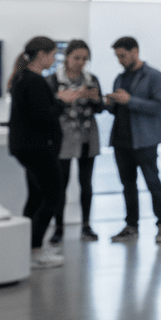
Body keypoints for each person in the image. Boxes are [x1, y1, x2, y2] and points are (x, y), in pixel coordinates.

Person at [7, 36, 81, 269]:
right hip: (38, 148)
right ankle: (36, 250)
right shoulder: (34, 81)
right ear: (41, 55)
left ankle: (26, 247)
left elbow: (37, 109)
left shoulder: (24, 78)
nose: (54, 59)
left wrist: (57, 99)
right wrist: (63, 102)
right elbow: (43, 116)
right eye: (52, 55)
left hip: (29, 148)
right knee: (53, 196)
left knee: (36, 197)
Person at [104, 36, 161, 244]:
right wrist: (109, 102)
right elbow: (117, 110)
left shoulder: (155, 77)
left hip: (145, 141)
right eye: (117, 56)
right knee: (128, 185)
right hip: (121, 141)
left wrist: (130, 100)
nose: (120, 60)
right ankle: (131, 226)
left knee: (153, 183)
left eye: (122, 55)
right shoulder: (119, 78)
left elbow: (158, 107)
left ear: (135, 52)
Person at [46, 39, 104, 243]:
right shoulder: (53, 80)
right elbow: (47, 110)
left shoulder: (91, 79)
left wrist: (96, 99)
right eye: (76, 58)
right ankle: (59, 227)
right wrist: (63, 99)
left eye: (84, 59)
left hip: (87, 137)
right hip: (62, 138)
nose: (80, 62)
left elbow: (100, 108)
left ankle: (86, 225)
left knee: (86, 183)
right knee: (60, 184)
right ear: (67, 58)